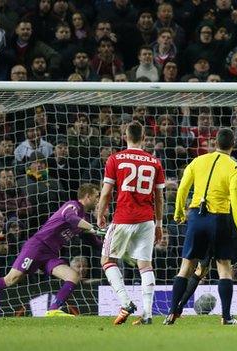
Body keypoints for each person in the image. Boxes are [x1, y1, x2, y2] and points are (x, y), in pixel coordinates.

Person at [0, 183, 102, 317]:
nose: (98, 199)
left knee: (73, 276)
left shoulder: (84, 219)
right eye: (97, 196)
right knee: (11, 279)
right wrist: (94, 228)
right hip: (37, 247)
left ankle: (53, 310)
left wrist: (108, 246)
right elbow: (70, 217)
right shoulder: (73, 206)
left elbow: (93, 241)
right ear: (88, 196)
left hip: (50, 254)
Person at [166, 128, 237, 326]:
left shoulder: (197, 161)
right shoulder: (235, 168)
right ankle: (226, 317)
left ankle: (171, 313)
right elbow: (236, 198)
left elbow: (183, 187)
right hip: (220, 219)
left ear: (215, 142)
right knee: (224, 268)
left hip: (196, 216)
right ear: (233, 145)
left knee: (186, 267)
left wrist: (178, 212)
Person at [96, 121, 166, 325]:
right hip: (147, 220)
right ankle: (147, 314)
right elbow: (160, 197)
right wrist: (159, 224)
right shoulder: (154, 162)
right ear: (144, 138)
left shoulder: (115, 159)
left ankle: (126, 302)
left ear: (125, 137)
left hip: (124, 217)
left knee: (107, 260)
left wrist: (100, 214)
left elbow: (106, 192)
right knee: (145, 265)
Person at [176, 189, 237, 318]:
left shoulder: (214, 191)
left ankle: (177, 308)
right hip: (228, 235)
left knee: (200, 271)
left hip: (206, 233)